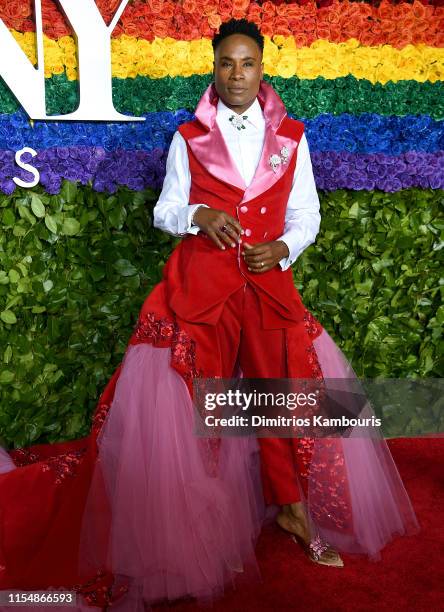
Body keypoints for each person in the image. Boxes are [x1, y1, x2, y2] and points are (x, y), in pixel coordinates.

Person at [0, 18, 420, 612]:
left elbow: (308, 215)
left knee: (279, 398)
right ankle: (212, 532)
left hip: (270, 289)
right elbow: (165, 210)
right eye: (227, 64)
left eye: (247, 63)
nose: (237, 74)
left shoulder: (293, 139)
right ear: (214, 68)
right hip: (201, 293)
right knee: (208, 407)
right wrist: (198, 214)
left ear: (262, 69)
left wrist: (286, 247)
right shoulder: (188, 138)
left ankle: (294, 513)